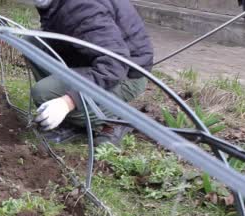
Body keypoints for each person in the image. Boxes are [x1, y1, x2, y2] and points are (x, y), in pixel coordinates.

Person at [28, 0, 154, 146]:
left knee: (42, 92)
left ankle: (116, 118)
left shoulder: (81, 8)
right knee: (33, 43)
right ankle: (73, 115)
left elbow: (115, 63)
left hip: (126, 74)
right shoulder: (55, 4)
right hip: (93, 60)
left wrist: (68, 102)